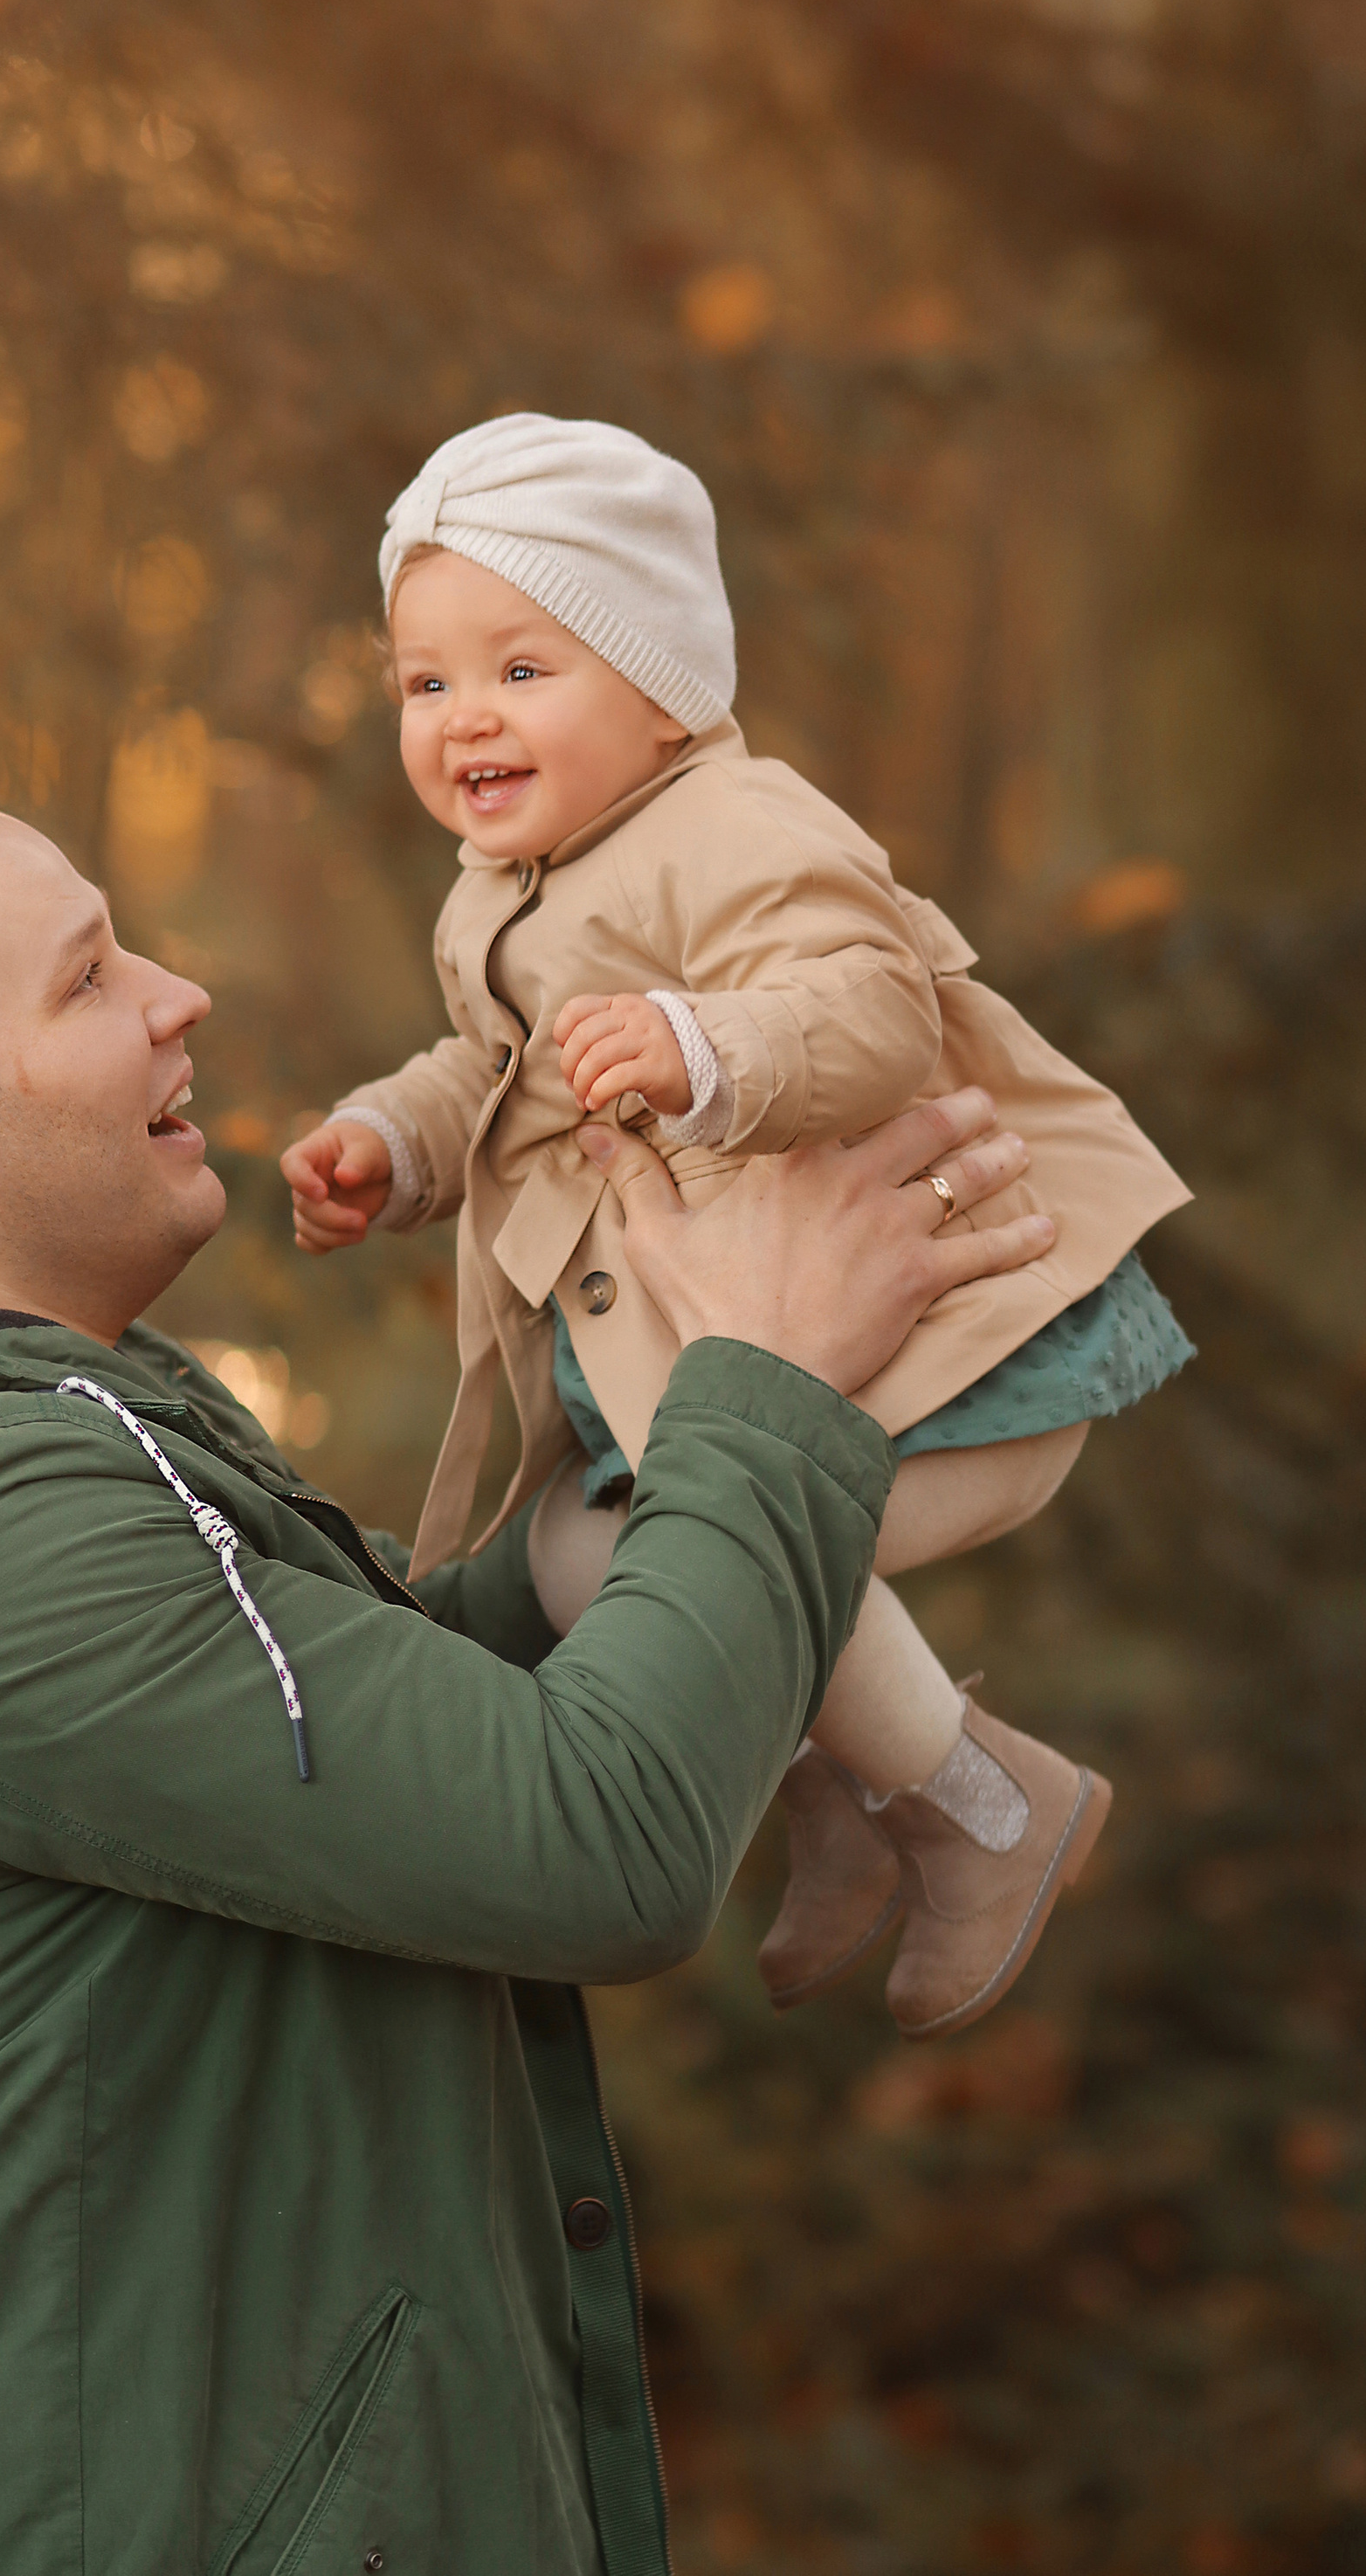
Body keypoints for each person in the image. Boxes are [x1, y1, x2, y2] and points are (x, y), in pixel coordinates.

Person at [0, 785, 1059, 2574]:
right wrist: (761, 1379)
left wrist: (638, 1501)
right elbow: (597, 1842)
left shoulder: (41, 1443)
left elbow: (375, 1742)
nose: (176, 995)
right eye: (87, 976)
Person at [282, 412, 1192, 2040]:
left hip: (954, 1354)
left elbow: (877, 1010)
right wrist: (392, 1145)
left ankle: (995, 1809)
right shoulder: (507, 882)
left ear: (662, 685)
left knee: (623, 1561)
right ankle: (852, 1800)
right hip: (773, 1366)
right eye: (425, 684)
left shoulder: (738, 826)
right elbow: (492, 1074)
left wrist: (713, 1054)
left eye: (521, 668)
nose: (463, 718)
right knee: (606, 1555)